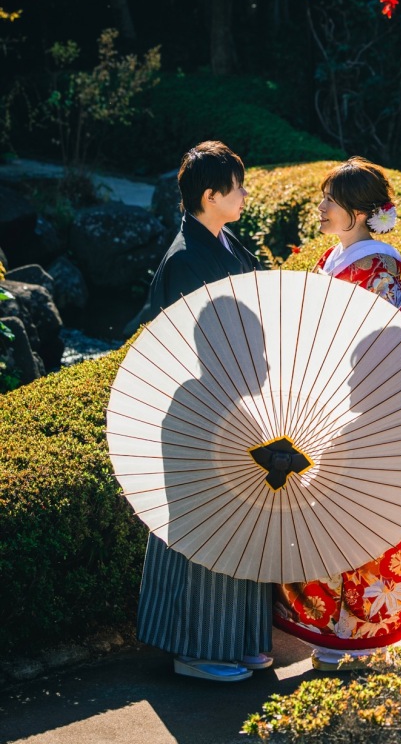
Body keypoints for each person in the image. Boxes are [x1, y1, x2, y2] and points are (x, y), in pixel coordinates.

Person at [273, 156, 401, 672]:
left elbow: (384, 353)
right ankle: (331, 632)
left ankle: (353, 638)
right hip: (319, 413)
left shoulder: (378, 273)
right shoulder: (336, 261)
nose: (321, 208)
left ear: (361, 214)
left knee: (356, 528)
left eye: (331, 202)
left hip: (360, 420)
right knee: (324, 525)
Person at [136, 140, 273, 683]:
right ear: (211, 195)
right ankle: (195, 649)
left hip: (235, 399)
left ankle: (238, 639)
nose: (244, 194)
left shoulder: (223, 242)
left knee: (241, 525)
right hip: (202, 407)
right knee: (207, 527)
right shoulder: (187, 258)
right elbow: (195, 344)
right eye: (236, 187)